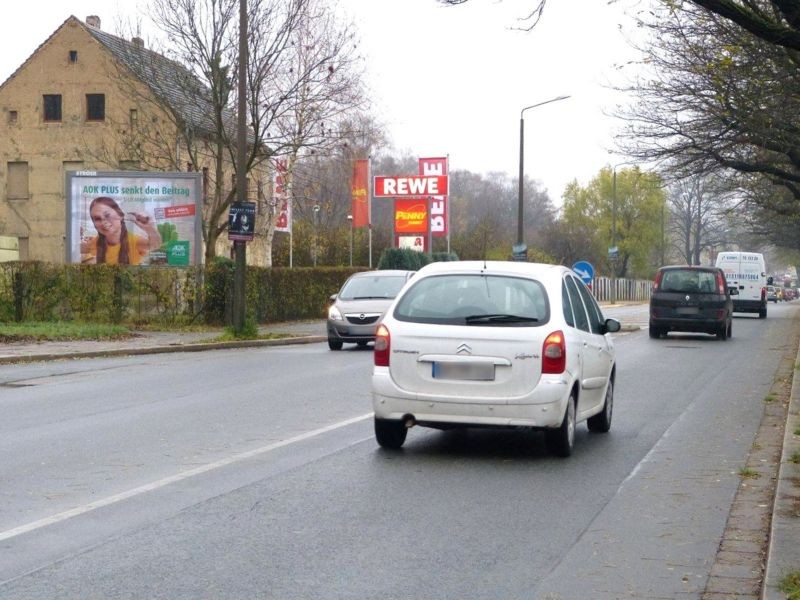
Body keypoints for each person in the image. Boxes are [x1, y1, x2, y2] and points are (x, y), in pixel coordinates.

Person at [80, 196, 162, 265]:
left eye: (107, 215)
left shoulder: (133, 241)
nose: (103, 222)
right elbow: (82, 248)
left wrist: (150, 229)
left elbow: (155, 246)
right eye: (97, 219)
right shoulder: (97, 241)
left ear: (120, 215)